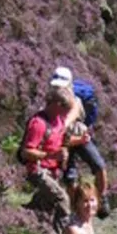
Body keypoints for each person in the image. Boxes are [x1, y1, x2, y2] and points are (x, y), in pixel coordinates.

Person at [49, 66, 111, 218]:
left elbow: (73, 113)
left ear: (69, 85)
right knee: (70, 179)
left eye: (62, 86)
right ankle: (76, 209)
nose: (59, 89)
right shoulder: (50, 101)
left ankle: (101, 199)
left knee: (100, 166)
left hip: (78, 137)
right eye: (56, 86)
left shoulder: (76, 100)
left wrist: (61, 128)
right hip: (66, 142)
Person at [20, 86, 71, 231]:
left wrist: (64, 153)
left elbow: (60, 142)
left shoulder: (59, 120)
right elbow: (26, 152)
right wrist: (50, 156)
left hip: (52, 170)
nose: (67, 113)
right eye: (66, 108)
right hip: (38, 170)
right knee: (62, 199)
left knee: (43, 205)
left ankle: (25, 224)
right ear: (57, 105)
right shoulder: (38, 124)